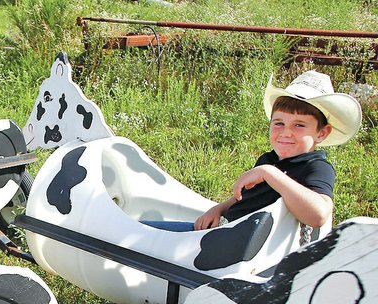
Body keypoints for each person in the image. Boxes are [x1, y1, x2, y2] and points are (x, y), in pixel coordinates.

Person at [145, 70, 362, 232]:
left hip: (233, 248)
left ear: (321, 133)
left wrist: (269, 173)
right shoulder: (270, 159)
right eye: (278, 123)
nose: (286, 133)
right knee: (144, 229)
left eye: (299, 125)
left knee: (139, 235)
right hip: (224, 232)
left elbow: (319, 215)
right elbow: (247, 196)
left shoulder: (316, 167)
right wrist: (219, 208)